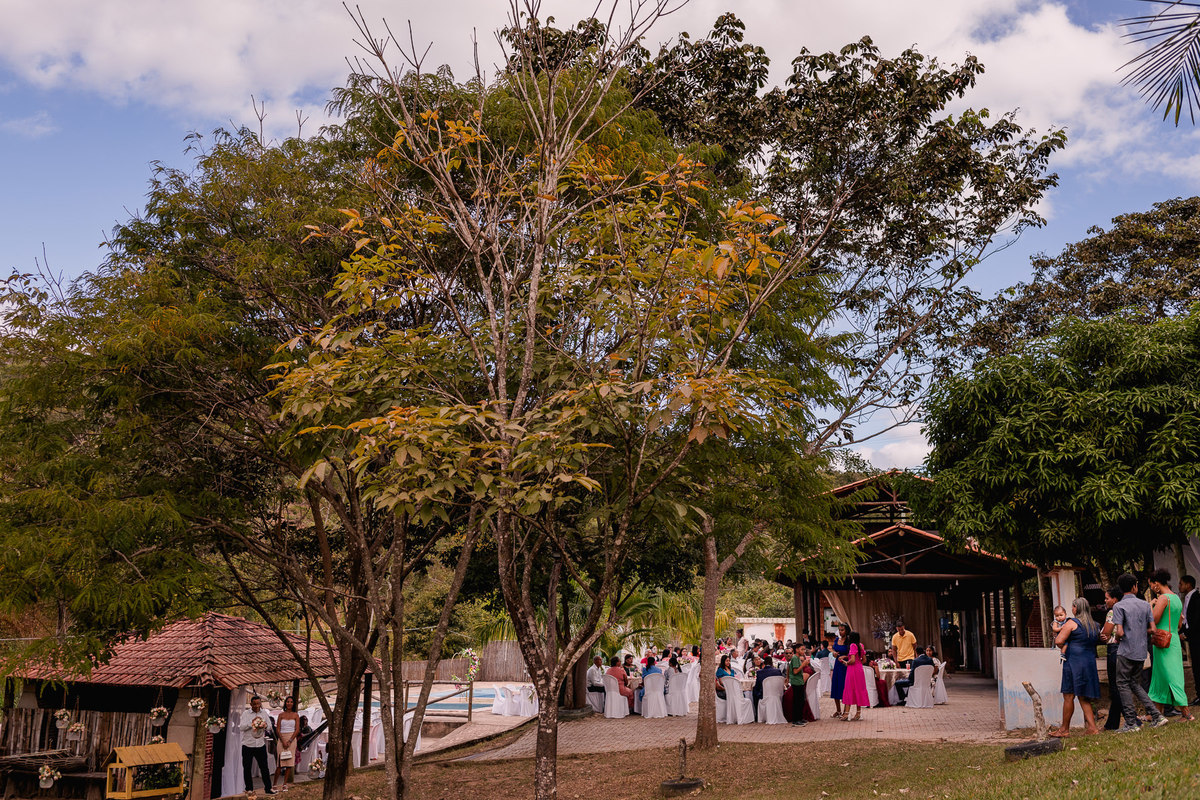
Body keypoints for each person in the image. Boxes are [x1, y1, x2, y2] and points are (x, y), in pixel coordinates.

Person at [1111, 572, 1168, 732]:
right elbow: (1153, 629)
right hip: (1141, 651)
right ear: (1135, 587)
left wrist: (1116, 638)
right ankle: (1157, 715)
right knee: (1136, 684)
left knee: (1122, 684)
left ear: (1121, 589)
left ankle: (1131, 723)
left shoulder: (1119, 606)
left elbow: (1120, 632)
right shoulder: (1145, 605)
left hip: (1126, 650)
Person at [1050, 597, 1102, 737]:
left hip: (1074, 662)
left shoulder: (1072, 623)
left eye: (1073, 607)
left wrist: (1065, 645)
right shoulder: (1095, 625)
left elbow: (1059, 640)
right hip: (1089, 662)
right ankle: (1092, 727)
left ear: (1075, 608)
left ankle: (1064, 729)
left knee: (1068, 695)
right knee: (1084, 696)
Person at [1147, 569, 1194, 720]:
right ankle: (1156, 713)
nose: (1151, 588)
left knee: (1172, 675)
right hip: (1173, 639)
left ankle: (1186, 713)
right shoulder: (1175, 598)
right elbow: (1180, 624)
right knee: (1160, 676)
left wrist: (1149, 606)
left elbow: (1153, 618)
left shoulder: (1163, 598)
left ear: (1156, 584)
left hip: (1163, 641)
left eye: (1151, 584)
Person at [1099, 586, 1124, 731]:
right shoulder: (1126, 609)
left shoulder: (1113, 611)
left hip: (1114, 649)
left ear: (1115, 599)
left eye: (1107, 598)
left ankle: (1116, 722)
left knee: (1115, 688)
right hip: (1126, 649)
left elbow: (1106, 633)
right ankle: (1112, 723)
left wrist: (1103, 633)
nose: (1105, 600)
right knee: (1123, 686)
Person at [240, 696, 276, 795]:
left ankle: (268, 788)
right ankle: (249, 789)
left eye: (258, 704)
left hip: (260, 744)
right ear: (251, 704)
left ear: (261, 704)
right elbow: (241, 727)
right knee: (247, 768)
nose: (256, 706)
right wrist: (251, 723)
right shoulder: (245, 714)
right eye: (254, 704)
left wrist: (264, 724)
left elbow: (270, 727)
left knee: (264, 767)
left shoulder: (264, 713)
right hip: (248, 744)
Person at [1180, 574, 1200, 705]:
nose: (1179, 586)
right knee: (1196, 665)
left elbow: (1196, 620)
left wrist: (1187, 633)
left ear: (1188, 584)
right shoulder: (1187, 598)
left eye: (1181, 584)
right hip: (1192, 636)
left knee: (1198, 665)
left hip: (1196, 637)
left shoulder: (1196, 597)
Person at [272, 695, 300, 789]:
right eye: (288, 702)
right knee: (280, 762)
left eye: (291, 702)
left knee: (289, 763)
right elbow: (278, 729)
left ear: (293, 704)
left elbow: (297, 730)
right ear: (285, 703)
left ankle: (285, 784)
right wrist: (283, 740)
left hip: (292, 738)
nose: (289, 703)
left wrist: (290, 740)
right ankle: (275, 784)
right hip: (281, 738)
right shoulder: (281, 715)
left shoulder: (296, 715)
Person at [839, 641, 870, 721]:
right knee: (858, 689)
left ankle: (847, 713)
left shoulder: (852, 645)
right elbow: (864, 660)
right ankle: (858, 713)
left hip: (852, 670)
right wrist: (857, 662)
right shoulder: (861, 645)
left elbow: (852, 660)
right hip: (859, 669)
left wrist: (847, 663)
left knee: (849, 688)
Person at [751, 655, 782, 721]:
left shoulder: (759, 672)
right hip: (776, 694)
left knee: (754, 691)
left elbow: (758, 685)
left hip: (764, 695)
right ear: (772, 663)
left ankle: (757, 715)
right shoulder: (778, 671)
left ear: (764, 663)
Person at [831, 623, 851, 719]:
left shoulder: (849, 641)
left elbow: (853, 654)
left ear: (846, 630)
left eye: (842, 630)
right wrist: (834, 654)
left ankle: (845, 711)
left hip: (846, 665)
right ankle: (838, 710)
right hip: (837, 665)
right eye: (839, 630)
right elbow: (833, 650)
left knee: (845, 687)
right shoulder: (836, 640)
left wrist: (846, 656)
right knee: (836, 685)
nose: (840, 631)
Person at [788, 644, 808, 726]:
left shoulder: (797, 658)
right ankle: (796, 719)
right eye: (802, 649)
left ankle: (800, 718)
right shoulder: (795, 658)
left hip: (799, 681)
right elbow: (795, 671)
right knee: (797, 701)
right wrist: (803, 665)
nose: (803, 651)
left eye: (804, 649)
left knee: (801, 700)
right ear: (797, 650)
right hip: (796, 682)